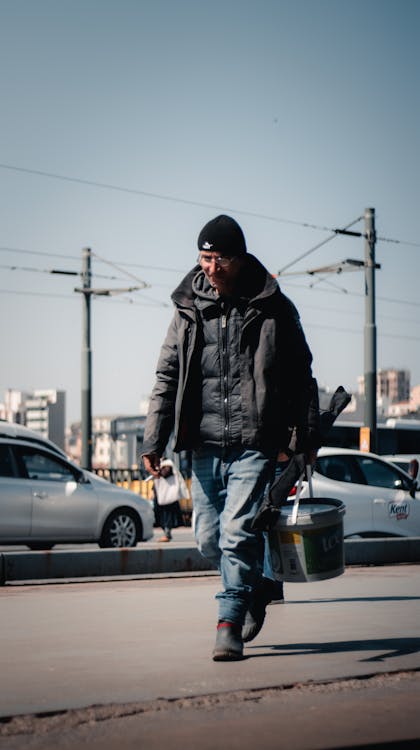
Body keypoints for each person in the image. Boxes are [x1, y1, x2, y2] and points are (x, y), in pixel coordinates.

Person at [142, 215, 319, 661]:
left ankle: (229, 623)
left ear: (238, 259)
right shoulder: (187, 309)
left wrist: (301, 440)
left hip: (255, 442)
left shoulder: (273, 305)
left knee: (237, 531)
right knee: (207, 538)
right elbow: (166, 375)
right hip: (202, 443)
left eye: (219, 258)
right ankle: (259, 583)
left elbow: (302, 376)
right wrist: (153, 440)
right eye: (204, 258)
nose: (211, 267)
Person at [151, 458, 186, 542]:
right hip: (161, 495)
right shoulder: (161, 465)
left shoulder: (167, 464)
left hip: (167, 496)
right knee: (160, 515)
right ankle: (166, 533)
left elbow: (165, 473)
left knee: (167, 516)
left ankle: (167, 534)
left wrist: (158, 470)